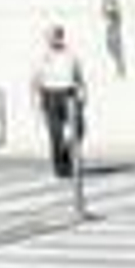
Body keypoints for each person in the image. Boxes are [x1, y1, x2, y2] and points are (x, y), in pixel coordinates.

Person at [32, 24, 87, 178]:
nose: (55, 38)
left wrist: (83, 95)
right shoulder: (42, 57)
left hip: (69, 93)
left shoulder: (71, 55)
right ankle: (60, 168)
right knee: (56, 134)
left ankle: (66, 153)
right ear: (47, 39)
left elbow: (79, 77)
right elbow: (35, 80)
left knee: (79, 129)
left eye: (58, 35)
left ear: (62, 37)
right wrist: (36, 101)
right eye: (52, 36)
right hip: (50, 94)